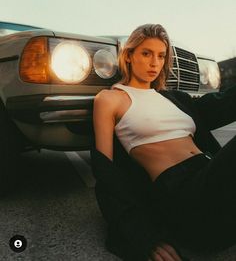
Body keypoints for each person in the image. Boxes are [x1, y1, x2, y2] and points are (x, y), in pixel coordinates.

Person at [91, 24, 236, 261]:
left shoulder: (174, 99)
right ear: (128, 56)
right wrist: (142, 236)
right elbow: (105, 172)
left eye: (161, 56)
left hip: (213, 174)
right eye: (146, 53)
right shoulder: (110, 99)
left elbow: (219, 104)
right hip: (186, 197)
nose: (154, 63)